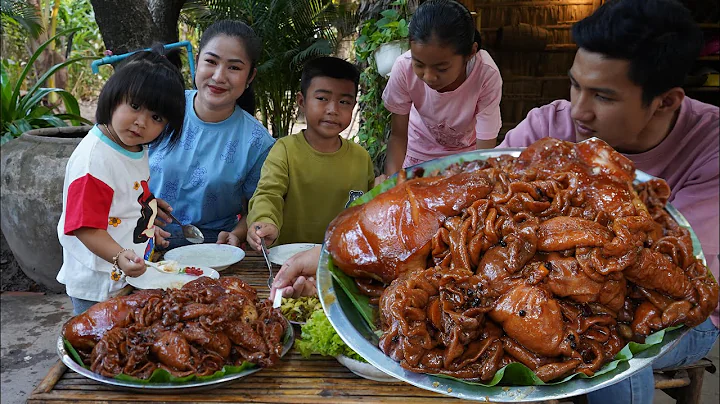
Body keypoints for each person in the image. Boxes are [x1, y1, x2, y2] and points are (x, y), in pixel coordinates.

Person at [497, 1, 719, 402]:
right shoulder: (550, 125)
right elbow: (493, 190)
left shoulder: (710, 147)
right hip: (560, 286)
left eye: (603, 96)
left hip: (689, 314)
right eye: (575, 85)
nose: (579, 109)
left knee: (611, 352)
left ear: (666, 101)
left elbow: (682, 272)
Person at [57, 45, 186, 315]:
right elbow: (85, 227)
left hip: (127, 276)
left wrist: (147, 213)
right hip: (99, 284)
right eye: (135, 106)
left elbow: (128, 190)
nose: (141, 122)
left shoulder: (134, 146)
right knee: (101, 348)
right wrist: (118, 256)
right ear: (114, 97)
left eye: (156, 117)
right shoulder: (94, 161)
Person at [247, 57, 375, 298]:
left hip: (339, 269)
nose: (332, 109)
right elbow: (268, 192)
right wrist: (265, 221)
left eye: (344, 101)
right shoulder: (284, 149)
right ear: (301, 102)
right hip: (285, 265)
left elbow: (365, 213)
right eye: (322, 98)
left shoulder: (361, 158)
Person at [150, 20, 275, 250]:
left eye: (234, 68)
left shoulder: (257, 143)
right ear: (197, 62)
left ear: (250, 77)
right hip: (141, 241)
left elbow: (258, 208)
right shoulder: (161, 108)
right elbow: (120, 170)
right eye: (211, 61)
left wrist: (237, 233)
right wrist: (139, 212)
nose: (219, 76)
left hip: (212, 250)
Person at [382, 0, 503, 176]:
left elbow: (484, 147)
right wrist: (391, 182)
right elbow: (398, 136)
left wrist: (478, 178)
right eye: (419, 64)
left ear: (470, 53)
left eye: (442, 68)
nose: (429, 76)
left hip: (466, 158)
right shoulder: (403, 68)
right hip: (417, 156)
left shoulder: (486, 74)